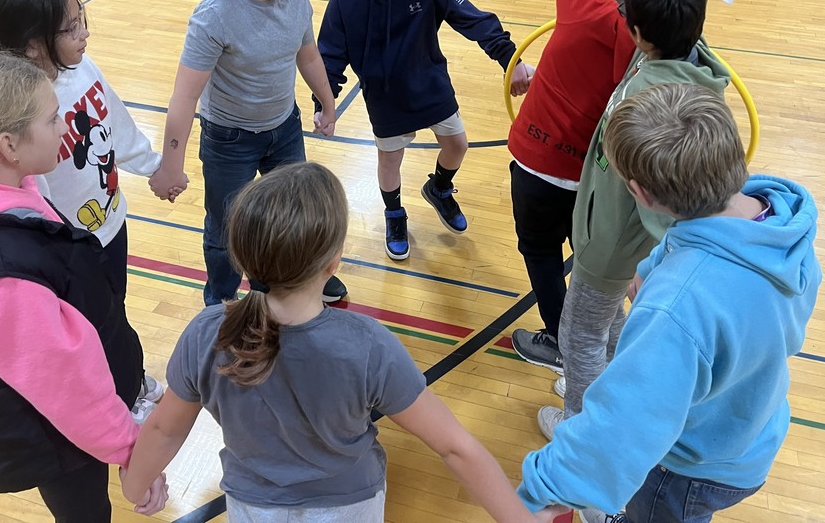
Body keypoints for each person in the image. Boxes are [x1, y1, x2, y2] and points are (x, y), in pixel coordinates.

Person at [121, 162, 563, 523]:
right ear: (333, 264)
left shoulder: (206, 332)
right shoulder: (369, 346)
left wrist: (136, 483)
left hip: (253, 509)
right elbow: (454, 446)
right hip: (349, 507)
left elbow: (164, 427)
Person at [518, 82, 822, 523]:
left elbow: (622, 430)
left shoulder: (679, 306)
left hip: (685, 469)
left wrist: (542, 487)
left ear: (640, 194)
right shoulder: (781, 222)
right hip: (750, 430)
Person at [0, 51, 169, 522]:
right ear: (8, 145)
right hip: (51, 437)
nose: (66, 125)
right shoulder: (3, 276)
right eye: (52, 119)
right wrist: (131, 450)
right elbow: (63, 385)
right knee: (84, 511)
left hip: (49, 420)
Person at [538, 0, 731, 440]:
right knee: (603, 323)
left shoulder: (651, 104)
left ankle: (581, 432)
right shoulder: (686, 48)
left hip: (610, 243)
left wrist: (641, 260)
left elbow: (666, 202)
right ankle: (617, 386)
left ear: (641, 35)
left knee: (578, 334)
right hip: (620, 237)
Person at [0, 0, 171, 420]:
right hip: (67, 252)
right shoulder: (11, 116)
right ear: (32, 45)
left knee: (113, 312)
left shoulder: (80, 69)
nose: (84, 34)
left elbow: (115, 123)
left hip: (108, 221)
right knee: (92, 326)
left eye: (83, 20)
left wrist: (152, 167)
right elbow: (21, 199)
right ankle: (117, 399)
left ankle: (130, 378)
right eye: (71, 27)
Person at [509, 0, 676, 377]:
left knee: (538, 251)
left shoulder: (585, 11)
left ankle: (563, 345)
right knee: (591, 269)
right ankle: (606, 347)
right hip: (594, 180)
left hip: (536, 164)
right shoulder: (655, 61)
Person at [146, 0, 347, 306]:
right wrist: (171, 164)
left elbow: (307, 55)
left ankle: (293, 281)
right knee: (225, 230)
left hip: (284, 128)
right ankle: (220, 302)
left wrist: (327, 103)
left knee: (295, 214)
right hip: (229, 139)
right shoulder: (214, 17)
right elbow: (184, 97)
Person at [316, 0, 532, 260]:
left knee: (457, 145)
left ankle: (440, 189)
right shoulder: (344, 0)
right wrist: (325, 103)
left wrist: (510, 59)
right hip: (386, 98)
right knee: (390, 161)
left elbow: (471, 17)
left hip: (430, 83)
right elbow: (330, 56)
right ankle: (394, 213)